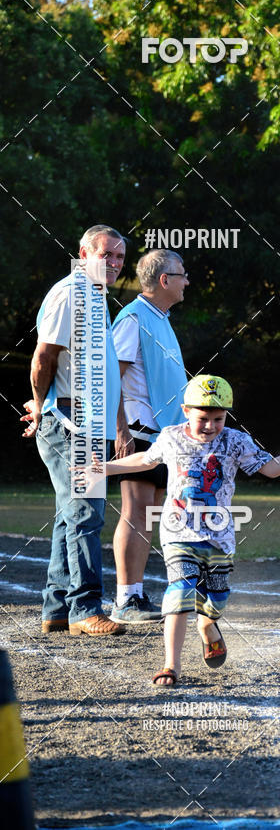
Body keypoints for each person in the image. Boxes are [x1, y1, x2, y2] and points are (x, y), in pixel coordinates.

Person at [78, 374, 280, 685]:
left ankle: (208, 626)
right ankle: (170, 665)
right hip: (178, 534)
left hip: (219, 537)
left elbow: (269, 468)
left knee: (216, 600)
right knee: (178, 593)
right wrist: (104, 467)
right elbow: (145, 461)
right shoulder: (170, 437)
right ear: (186, 410)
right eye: (203, 418)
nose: (211, 425)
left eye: (218, 418)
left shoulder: (236, 441)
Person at [22, 225, 131, 637]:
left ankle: (56, 610)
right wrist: (40, 406)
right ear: (84, 252)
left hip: (85, 423)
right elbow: (42, 357)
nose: (115, 264)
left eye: (120, 257)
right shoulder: (72, 292)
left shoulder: (94, 296)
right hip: (71, 424)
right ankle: (85, 609)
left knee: (71, 516)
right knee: (86, 512)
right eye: (108, 255)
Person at [110, 249, 189, 623]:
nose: (187, 281)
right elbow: (112, 380)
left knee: (150, 512)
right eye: (182, 274)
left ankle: (136, 593)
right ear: (164, 280)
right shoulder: (133, 318)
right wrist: (120, 428)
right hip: (140, 431)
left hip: (164, 434)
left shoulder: (162, 318)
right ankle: (126, 599)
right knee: (136, 511)